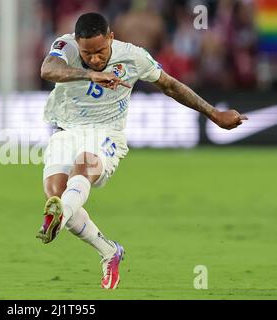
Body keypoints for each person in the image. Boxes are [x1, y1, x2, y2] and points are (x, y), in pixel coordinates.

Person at [36, 12, 248, 290]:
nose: (96, 58)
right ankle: (109, 251)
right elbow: (47, 70)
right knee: (56, 193)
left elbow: (170, 86)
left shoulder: (133, 57)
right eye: (88, 53)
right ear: (77, 42)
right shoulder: (65, 46)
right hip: (66, 130)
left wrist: (213, 114)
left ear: (111, 38)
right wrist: (90, 74)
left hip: (106, 133)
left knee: (84, 167)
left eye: (101, 51)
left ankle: (56, 219)